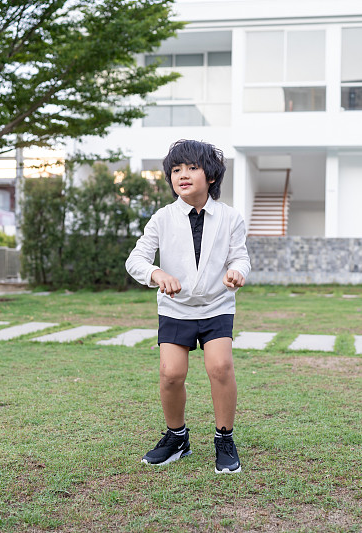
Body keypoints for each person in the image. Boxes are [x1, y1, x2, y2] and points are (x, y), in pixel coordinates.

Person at [126, 139, 251, 474]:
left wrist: (237, 272)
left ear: (210, 175)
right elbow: (135, 259)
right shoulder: (162, 218)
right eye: (176, 170)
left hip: (216, 306)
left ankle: (225, 438)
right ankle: (177, 438)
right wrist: (156, 273)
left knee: (220, 367)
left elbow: (240, 256)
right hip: (176, 309)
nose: (182, 175)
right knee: (171, 374)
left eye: (192, 168)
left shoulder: (230, 217)